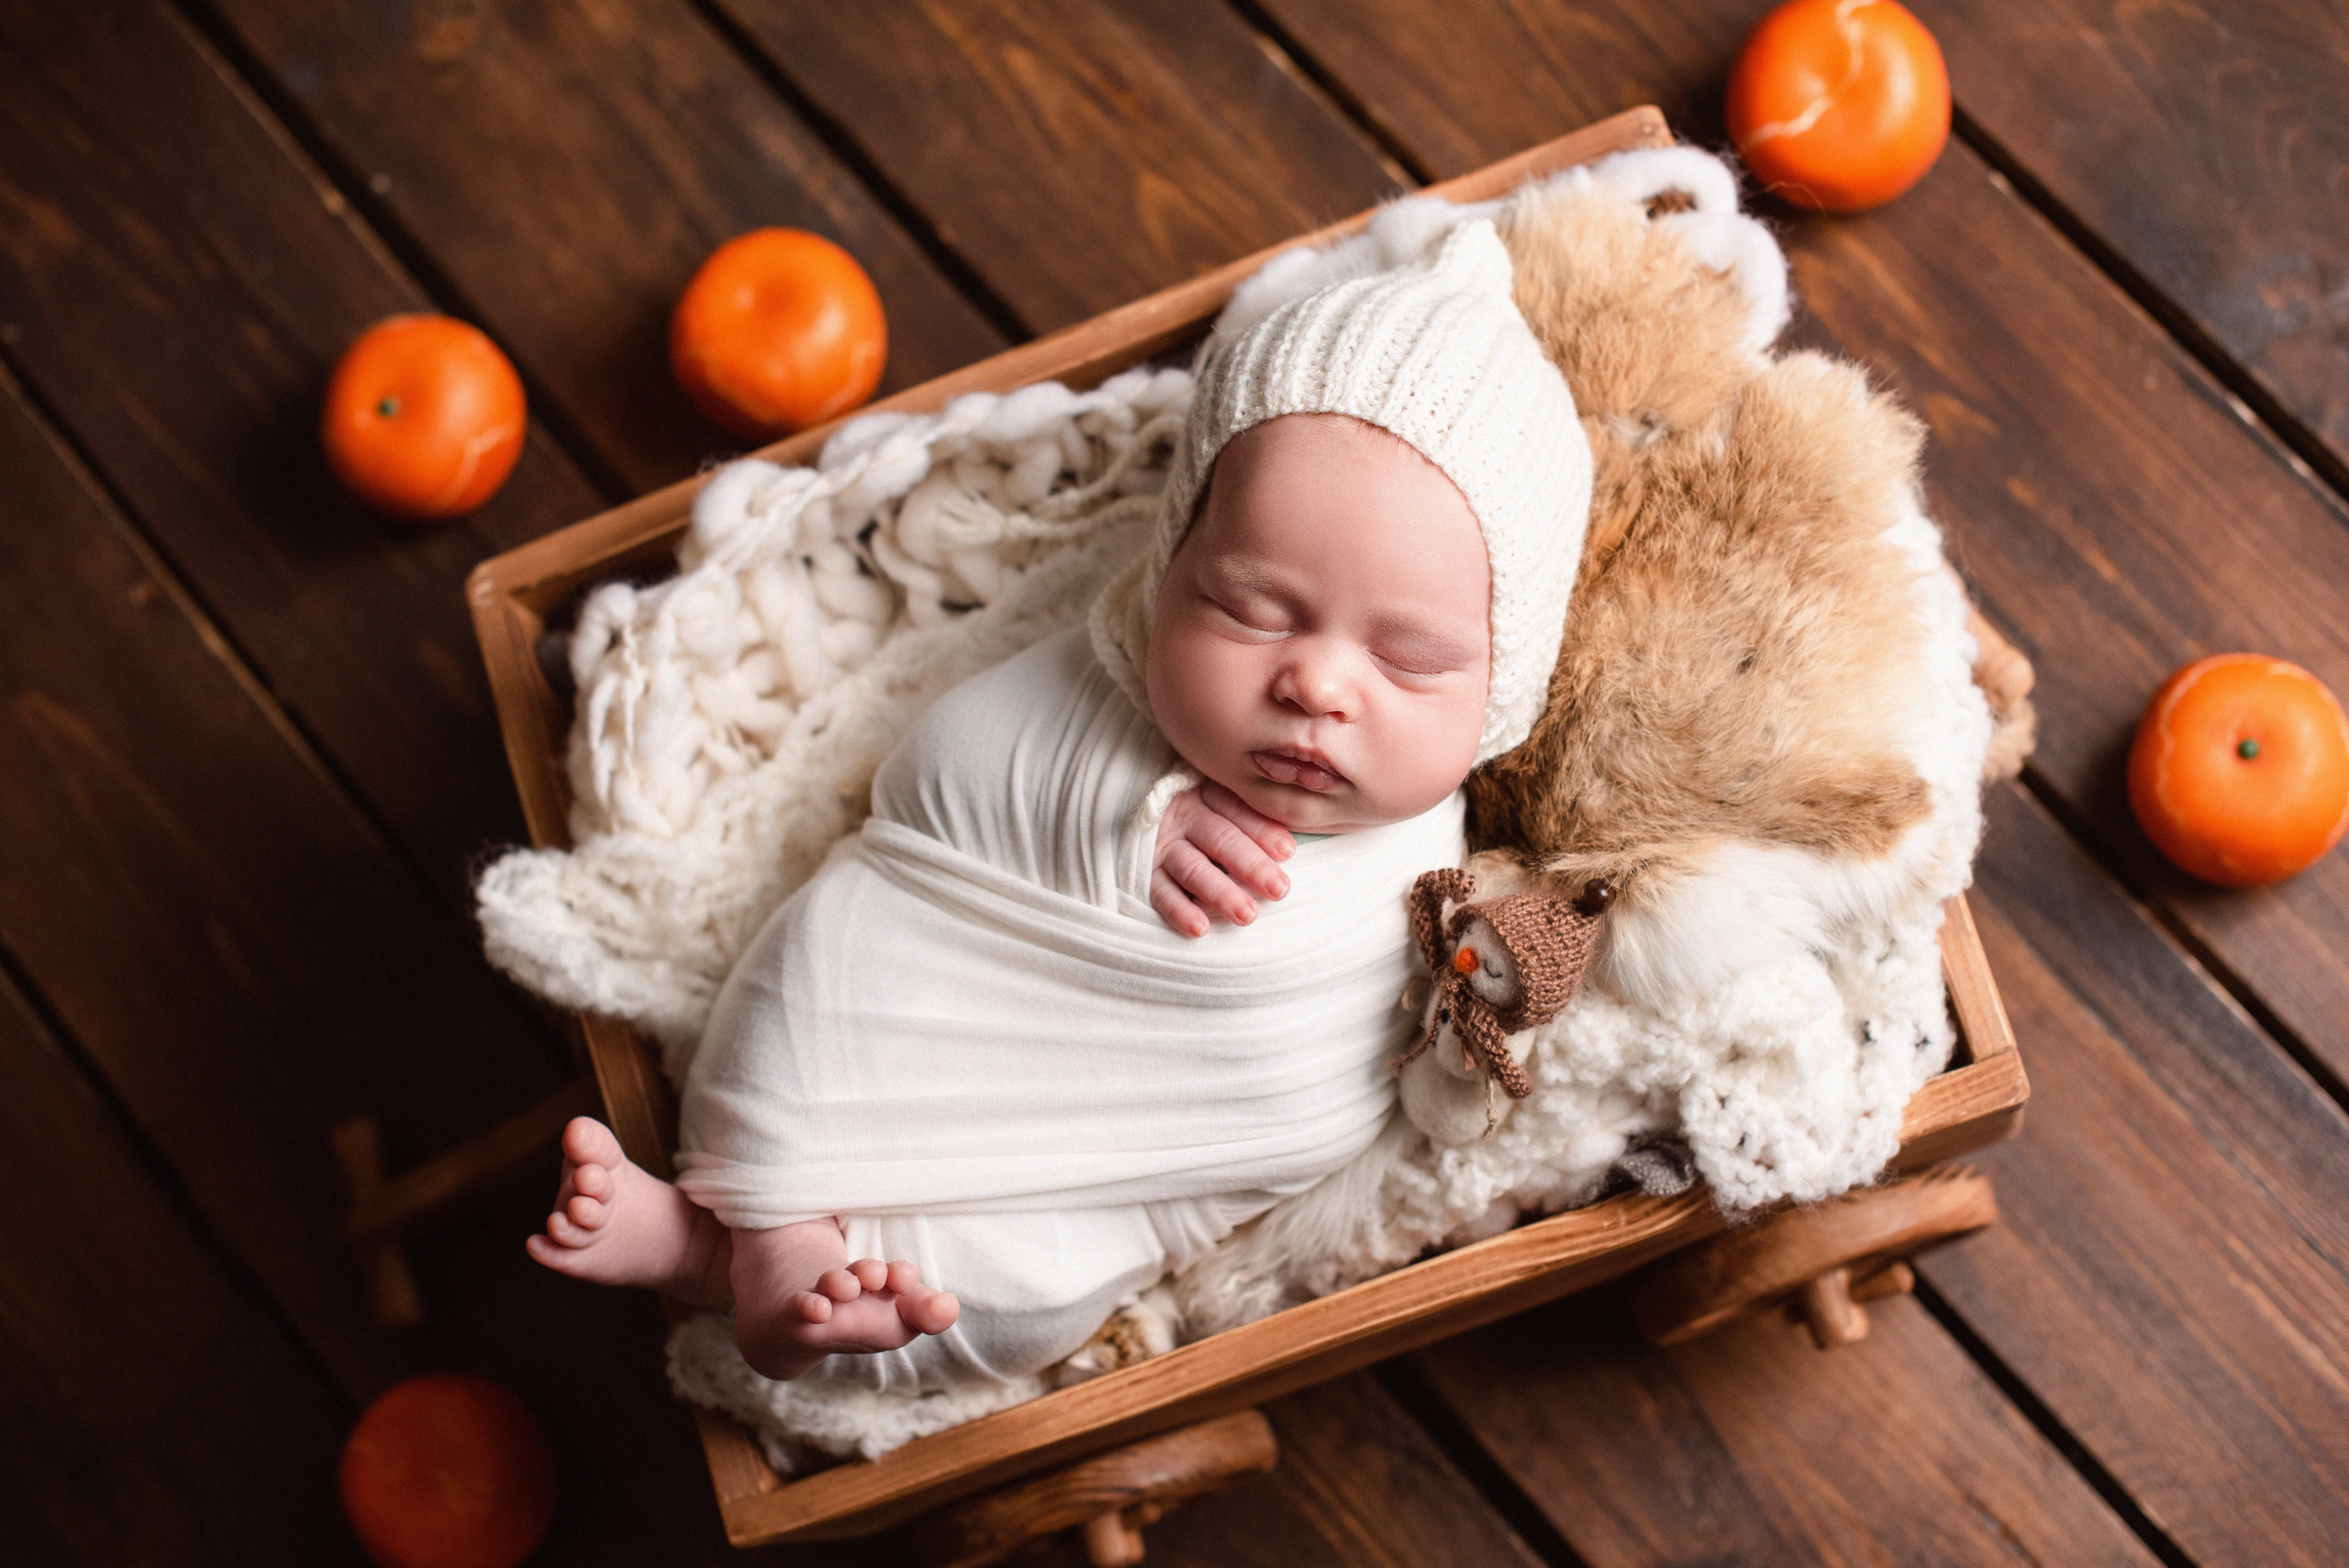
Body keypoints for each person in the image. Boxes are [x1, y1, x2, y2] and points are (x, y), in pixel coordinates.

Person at [526, 218, 1591, 1390]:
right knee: (812, 986)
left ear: (1503, 685)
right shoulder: (1099, 687)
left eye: (1408, 659)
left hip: (1128, 1167)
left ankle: (736, 1273)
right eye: (1252, 608)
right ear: (1170, 565)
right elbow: (926, 788)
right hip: (940, 986)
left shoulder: (1448, 865)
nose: (1317, 685)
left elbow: (1402, 1054)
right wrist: (1126, 817)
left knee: (1032, 1307)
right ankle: (742, 1238)